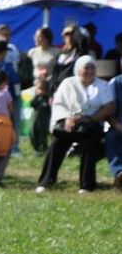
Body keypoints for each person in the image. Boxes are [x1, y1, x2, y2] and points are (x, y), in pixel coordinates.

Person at [36, 56, 116, 193]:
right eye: (86, 68)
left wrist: (90, 118)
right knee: (57, 144)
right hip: (69, 125)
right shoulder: (68, 83)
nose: (90, 71)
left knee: (90, 144)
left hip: (91, 125)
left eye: (92, 68)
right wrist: (67, 118)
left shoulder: (102, 85)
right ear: (78, 70)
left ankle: (86, 185)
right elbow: (58, 104)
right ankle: (46, 181)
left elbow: (109, 107)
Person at [27, 74, 52, 154]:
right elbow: (32, 104)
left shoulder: (47, 98)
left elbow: (49, 109)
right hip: (35, 119)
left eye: (42, 89)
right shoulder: (36, 98)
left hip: (44, 121)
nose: (40, 91)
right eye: (39, 89)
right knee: (33, 133)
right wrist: (37, 96)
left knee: (42, 135)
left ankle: (44, 148)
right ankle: (36, 148)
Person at [106, 73, 122, 191]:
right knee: (112, 136)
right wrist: (118, 126)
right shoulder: (115, 83)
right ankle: (119, 173)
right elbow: (108, 110)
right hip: (119, 126)